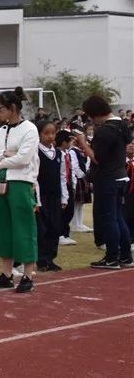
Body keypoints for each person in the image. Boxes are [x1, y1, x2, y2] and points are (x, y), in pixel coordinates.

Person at [0, 87, 40, 292]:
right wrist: (5, 156)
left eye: (0, 108)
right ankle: (6, 274)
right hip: (0, 181)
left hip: (21, 183)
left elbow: (24, 159)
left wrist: (1, 159)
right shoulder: (1, 131)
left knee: (24, 227)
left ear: (12, 108)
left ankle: (27, 275)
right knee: (3, 227)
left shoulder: (29, 129)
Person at [72, 95, 133, 269]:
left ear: (96, 113)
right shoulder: (122, 124)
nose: (91, 119)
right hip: (121, 175)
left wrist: (83, 143)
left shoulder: (104, 130)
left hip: (107, 178)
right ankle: (126, 256)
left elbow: (98, 158)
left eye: (91, 115)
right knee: (119, 217)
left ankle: (112, 257)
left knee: (109, 219)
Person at [34, 120, 67, 272]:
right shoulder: (35, 152)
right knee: (42, 229)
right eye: (46, 133)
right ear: (39, 134)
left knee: (55, 227)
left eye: (53, 133)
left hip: (55, 195)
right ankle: (41, 259)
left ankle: (51, 258)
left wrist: (64, 197)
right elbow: (34, 177)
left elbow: (62, 176)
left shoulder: (59, 153)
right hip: (42, 196)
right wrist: (37, 200)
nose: (50, 136)